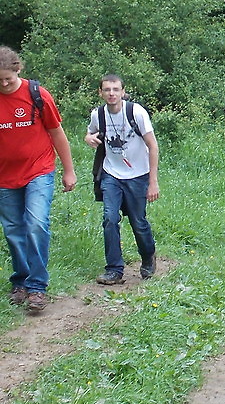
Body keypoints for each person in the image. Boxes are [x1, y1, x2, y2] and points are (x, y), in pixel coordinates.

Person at [0, 46, 77, 312]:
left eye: (8, 78)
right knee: (13, 231)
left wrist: (68, 170)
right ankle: (20, 280)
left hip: (38, 170)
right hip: (5, 177)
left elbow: (57, 133)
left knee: (36, 224)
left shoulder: (37, 95)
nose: (4, 84)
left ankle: (37, 287)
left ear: (18, 70)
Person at [84, 74, 159, 284]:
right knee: (110, 219)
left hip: (138, 175)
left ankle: (148, 257)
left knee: (138, 222)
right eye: (107, 90)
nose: (111, 94)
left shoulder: (136, 112)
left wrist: (153, 181)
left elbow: (153, 146)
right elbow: (90, 133)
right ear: (100, 92)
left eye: (116, 89)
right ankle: (114, 269)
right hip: (111, 174)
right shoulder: (98, 114)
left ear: (123, 92)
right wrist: (88, 138)